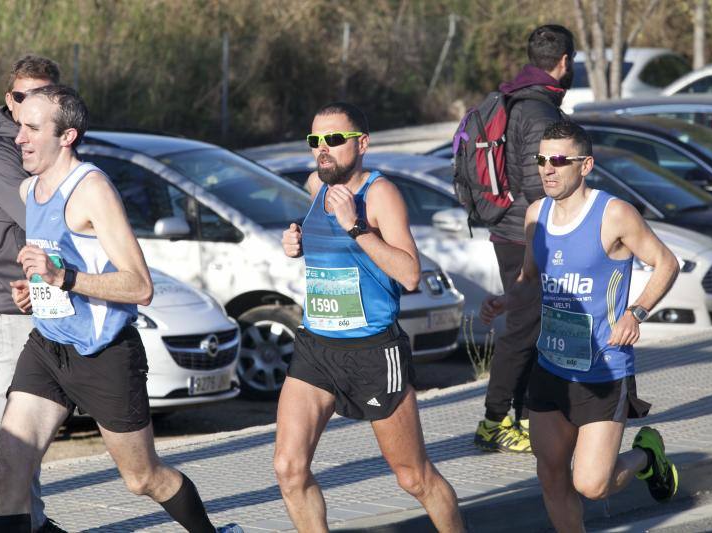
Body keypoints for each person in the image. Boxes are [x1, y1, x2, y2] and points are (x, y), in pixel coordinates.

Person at [0, 85, 241, 533]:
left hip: (104, 354)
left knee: (142, 478)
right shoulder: (31, 191)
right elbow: (53, 269)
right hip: (48, 347)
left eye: (31, 129)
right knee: (8, 472)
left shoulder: (91, 189)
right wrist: (35, 289)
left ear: (66, 136)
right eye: (18, 127)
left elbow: (140, 286)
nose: (19, 138)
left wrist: (62, 277)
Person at [481, 120, 680, 531]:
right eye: (541, 160)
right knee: (551, 474)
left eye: (558, 160)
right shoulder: (537, 215)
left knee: (591, 484)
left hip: (602, 369)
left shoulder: (614, 215)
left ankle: (647, 456)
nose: (547, 169)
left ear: (585, 165)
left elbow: (667, 263)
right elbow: (530, 279)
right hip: (550, 365)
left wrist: (637, 312)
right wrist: (506, 300)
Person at [276, 102, 463, 533]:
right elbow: (328, 248)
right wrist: (298, 243)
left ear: (362, 144)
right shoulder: (314, 185)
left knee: (413, 477)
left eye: (334, 140)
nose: (322, 149)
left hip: (373, 351)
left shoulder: (379, 194)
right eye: (315, 141)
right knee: (289, 468)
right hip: (316, 348)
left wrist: (356, 227)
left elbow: (410, 275)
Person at [474, 24, 576, 454]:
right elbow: (543, 185)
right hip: (526, 233)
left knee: (533, 328)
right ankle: (494, 421)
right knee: (523, 329)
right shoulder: (539, 112)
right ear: (565, 63)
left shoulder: (521, 99)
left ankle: (526, 416)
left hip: (513, 230)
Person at [0, 55, 63, 533]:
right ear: (9, 99)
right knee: (10, 422)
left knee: (30, 418)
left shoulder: (48, 141)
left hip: (49, 292)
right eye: (22, 95)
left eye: (43, 95)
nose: (30, 105)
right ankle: (8, 520)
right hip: (15, 300)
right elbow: (46, 217)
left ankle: (31, 518)